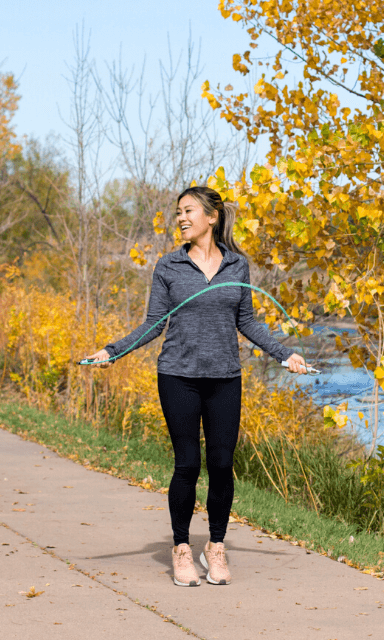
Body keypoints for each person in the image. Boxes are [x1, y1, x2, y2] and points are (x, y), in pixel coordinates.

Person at [84, 186, 307, 587]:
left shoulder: (237, 266)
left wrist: (283, 354)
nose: (181, 218)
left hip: (225, 379)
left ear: (212, 217)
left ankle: (216, 548)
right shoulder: (169, 266)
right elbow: (153, 323)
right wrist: (113, 351)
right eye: (178, 212)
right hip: (178, 377)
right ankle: (182, 549)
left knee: (222, 466)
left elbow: (248, 322)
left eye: (188, 211)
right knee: (187, 464)